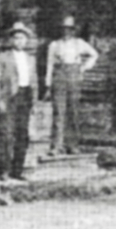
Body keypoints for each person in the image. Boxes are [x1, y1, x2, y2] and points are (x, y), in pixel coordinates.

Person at [44, 15, 98, 156]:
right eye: (64, 29)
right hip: (59, 76)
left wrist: (83, 68)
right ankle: (56, 145)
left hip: (74, 76)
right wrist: (48, 83)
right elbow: (49, 65)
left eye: (69, 29)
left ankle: (72, 144)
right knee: (59, 111)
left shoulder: (79, 43)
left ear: (73, 30)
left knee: (73, 111)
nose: (66, 32)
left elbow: (94, 54)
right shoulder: (54, 45)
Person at [0, 22, 37, 182]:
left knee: (22, 135)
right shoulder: (3, 57)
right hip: (9, 96)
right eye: (16, 38)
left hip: (25, 96)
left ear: (26, 41)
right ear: (11, 40)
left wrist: (34, 102)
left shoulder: (30, 58)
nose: (19, 41)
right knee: (6, 134)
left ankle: (17, 170)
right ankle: (3, 170)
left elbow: (34, 81)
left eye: (22, 38)